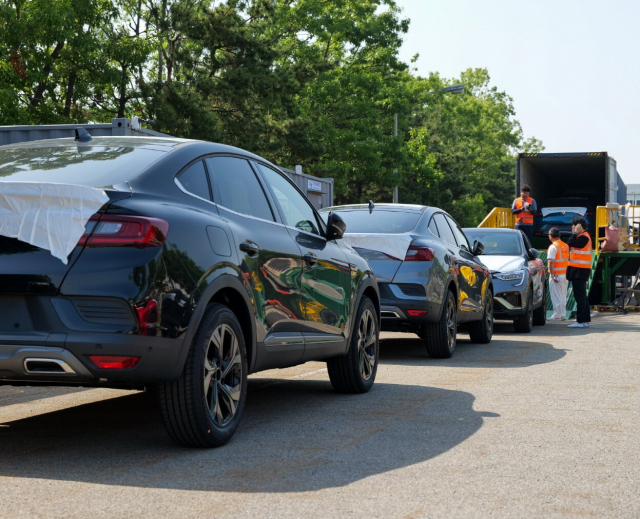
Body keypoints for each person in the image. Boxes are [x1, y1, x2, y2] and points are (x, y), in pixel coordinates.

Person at [566, 216, 592, 328]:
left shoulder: (583, 237)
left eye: (574, 225)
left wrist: (574, 233)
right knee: (582, 297)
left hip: (579, 270)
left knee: (580, 297)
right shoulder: (583, 236)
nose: (572, 227)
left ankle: (580, 321)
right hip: (579, 270)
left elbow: (570, 242)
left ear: (579, 226)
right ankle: (584, 320)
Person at [547, 227, 569, 320]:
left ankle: (557, 315)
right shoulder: (565, 245)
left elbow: (551, 261)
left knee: (556, 296)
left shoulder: (553, 247)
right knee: (563, 295)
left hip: (556, 275)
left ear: (550, 236)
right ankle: (563, 314)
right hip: (565, 274)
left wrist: (552, 275)